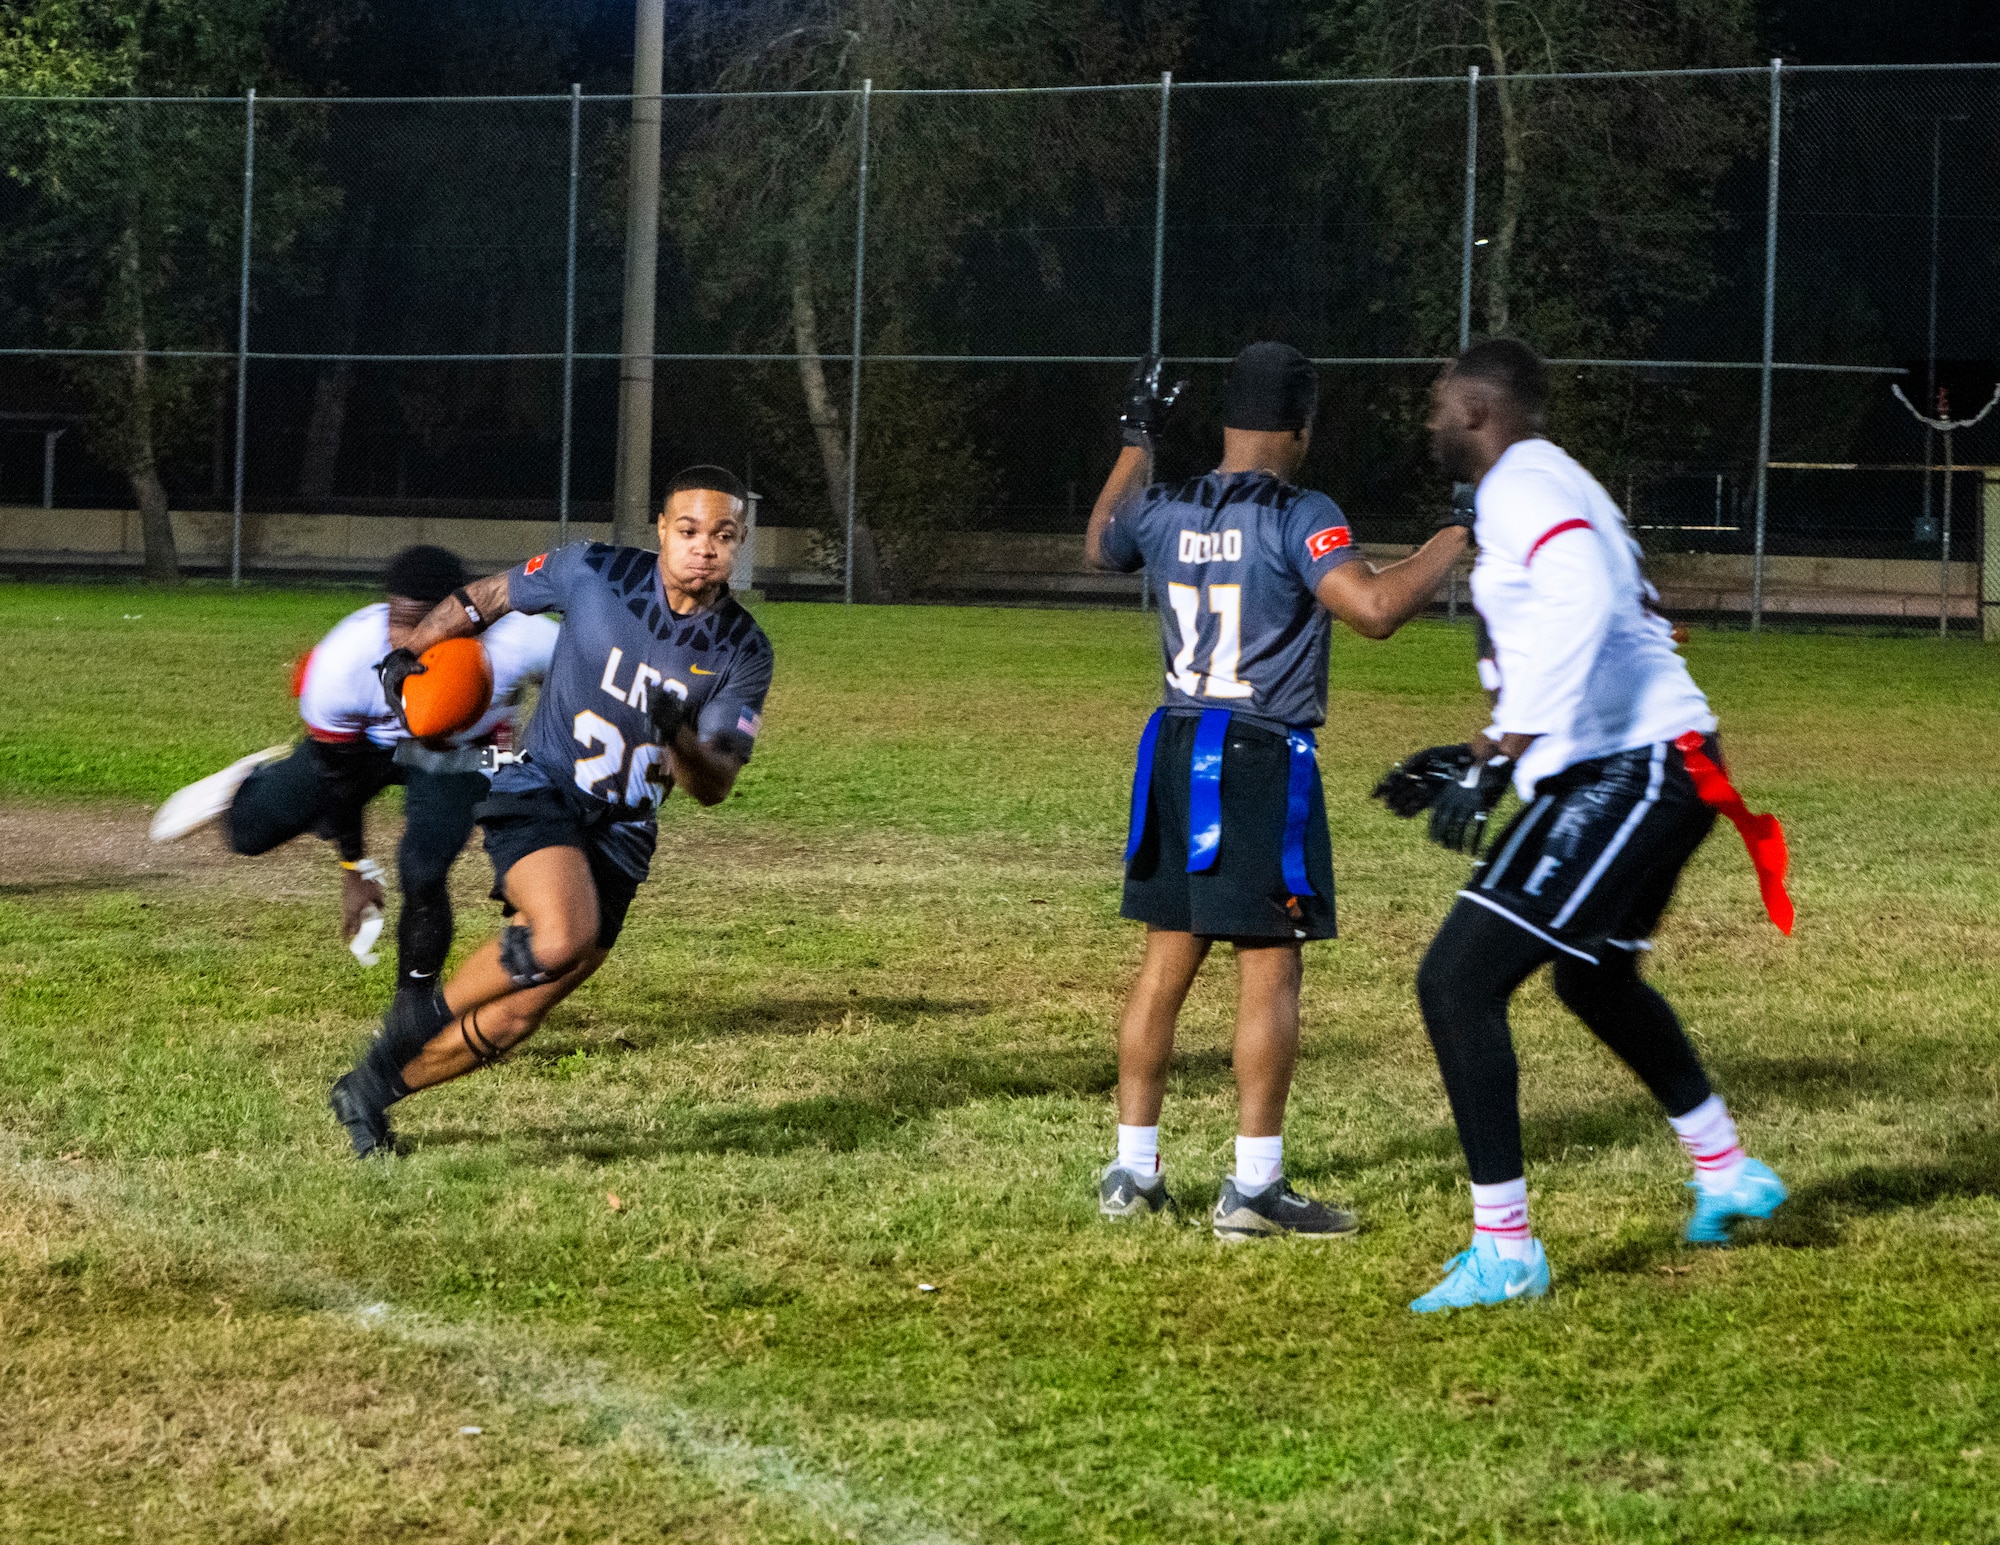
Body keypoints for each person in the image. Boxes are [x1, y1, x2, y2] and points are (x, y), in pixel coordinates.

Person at [1375, 338, 1792, 1312]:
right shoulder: (1543, 479)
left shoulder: (1519, 479)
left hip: (1637, 768)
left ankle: (1506, 1249)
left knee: (1455, 981)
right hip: (1652, 758)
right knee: (1592, 975)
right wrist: (1482, 751)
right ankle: (1726, 1171)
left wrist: (1509, 744)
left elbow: (1587, 598)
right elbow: (1576, 626)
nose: (1431, 418)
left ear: (1476, 410)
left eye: (1440, 401)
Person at [1085, 342, 1473, 1240]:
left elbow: (1104, 540)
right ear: (1303, 425)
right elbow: (1371, 608)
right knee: (1270, 963)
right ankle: (1255, 1186)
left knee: (1165, 961)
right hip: (1256, 757)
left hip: (1174, 747)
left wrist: (1136, 438)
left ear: (1225, 417)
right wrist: (1457, 533)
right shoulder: (1301, 511)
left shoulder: (1171, 501)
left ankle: (1132, 1172)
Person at [327, 466, 773, 1158]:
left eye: (722, 534)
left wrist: (679, 734)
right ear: (661, 529)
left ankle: (371, 1088)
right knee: (562, 934)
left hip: (623, 833)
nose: (703, 547)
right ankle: (416, 1016)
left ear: (739, 542)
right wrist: (411, 650)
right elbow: (490, 596)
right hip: (542, 788)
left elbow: (714, 784)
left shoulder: (743, 649)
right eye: (687, 530)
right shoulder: (594, 570)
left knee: (519, 1014)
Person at [150, 545, 558, 999]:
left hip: (458, 757)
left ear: (465, 614)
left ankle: (414, 1006)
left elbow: (577, 689)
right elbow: (339, 777)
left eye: (427, 622)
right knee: (247, 834)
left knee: (423, 869)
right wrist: (354, 865)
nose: (407, 639)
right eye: (399, 621)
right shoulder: (346, 659)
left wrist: (531, 777)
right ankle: (248, 786)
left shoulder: (520, 639)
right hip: (365, 750)